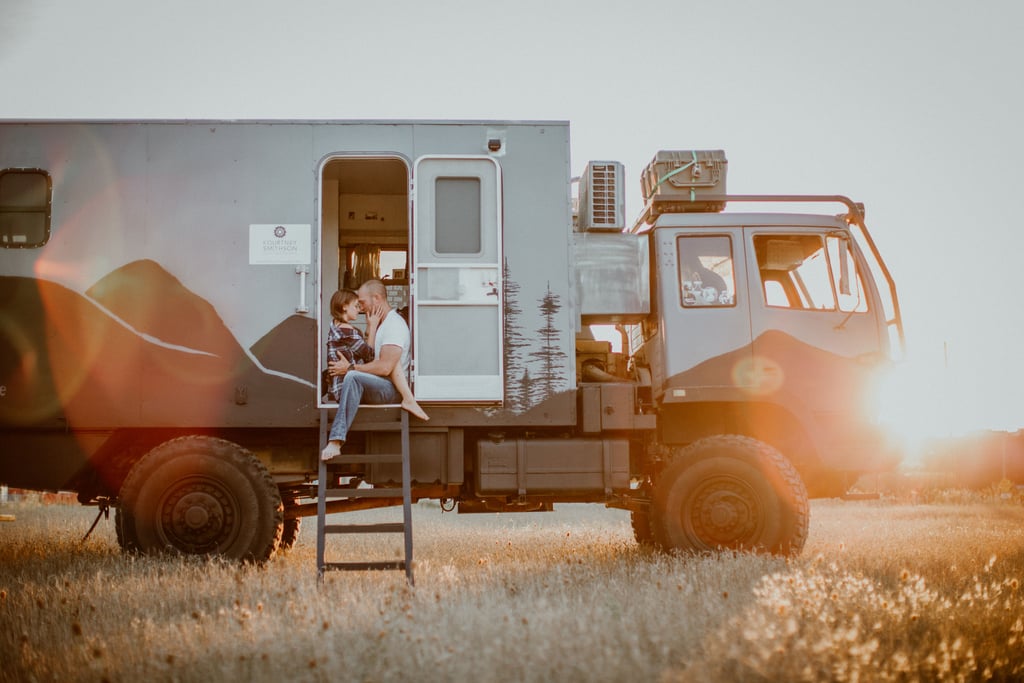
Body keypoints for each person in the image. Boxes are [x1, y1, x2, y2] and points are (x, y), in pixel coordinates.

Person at [321, 280, 428, 461]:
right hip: (381, 383)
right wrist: (371, 327)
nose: (361, 308)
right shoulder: (382, 324)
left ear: (376, 299)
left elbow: (385, 367)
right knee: (355, 375)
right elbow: (374, 359)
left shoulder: (393, 325)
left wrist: (350, 368)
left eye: (362, 302)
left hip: (390, 389)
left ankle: (336, 439)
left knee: (353, 376)